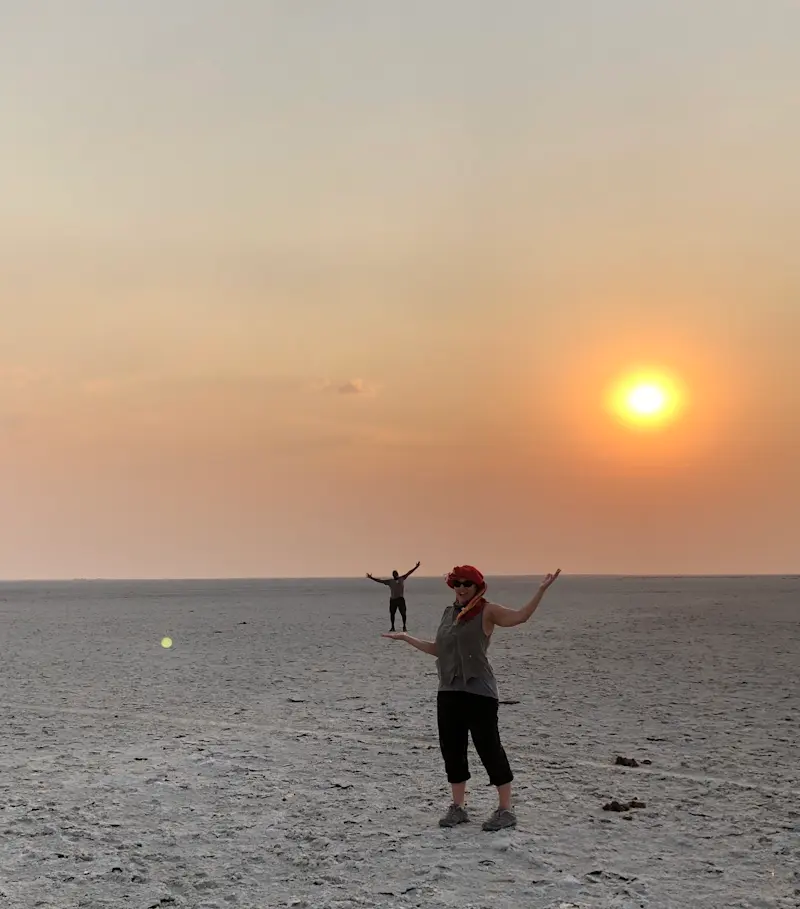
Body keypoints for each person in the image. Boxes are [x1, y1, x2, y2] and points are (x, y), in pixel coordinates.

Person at [382, 564, 561, 832]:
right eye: (457, 583)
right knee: (452, 749)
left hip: (479, 693)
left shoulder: (487, 611)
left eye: (468, 584)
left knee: (489, 748)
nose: (462, 588)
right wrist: (407, 638)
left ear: (478, 587)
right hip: (449, 691)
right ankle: (458, 807)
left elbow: (520, 616)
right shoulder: (448, 614)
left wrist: (541, 590)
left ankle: (505, 810)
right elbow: (439, 650)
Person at [366, 561, 420, 631]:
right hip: (393, 600)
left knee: (403, 613)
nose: (395, 575)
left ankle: (404, 626)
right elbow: (380, 581)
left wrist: (416, 567)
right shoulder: (390, 581)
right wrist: (371, 578)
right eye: (394, 574)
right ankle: (392, 627)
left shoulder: (402, 578)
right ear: (393, 575)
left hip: (400, 599)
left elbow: (409, 572)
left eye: (396, 574)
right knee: (392, 614)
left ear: (397, 574)